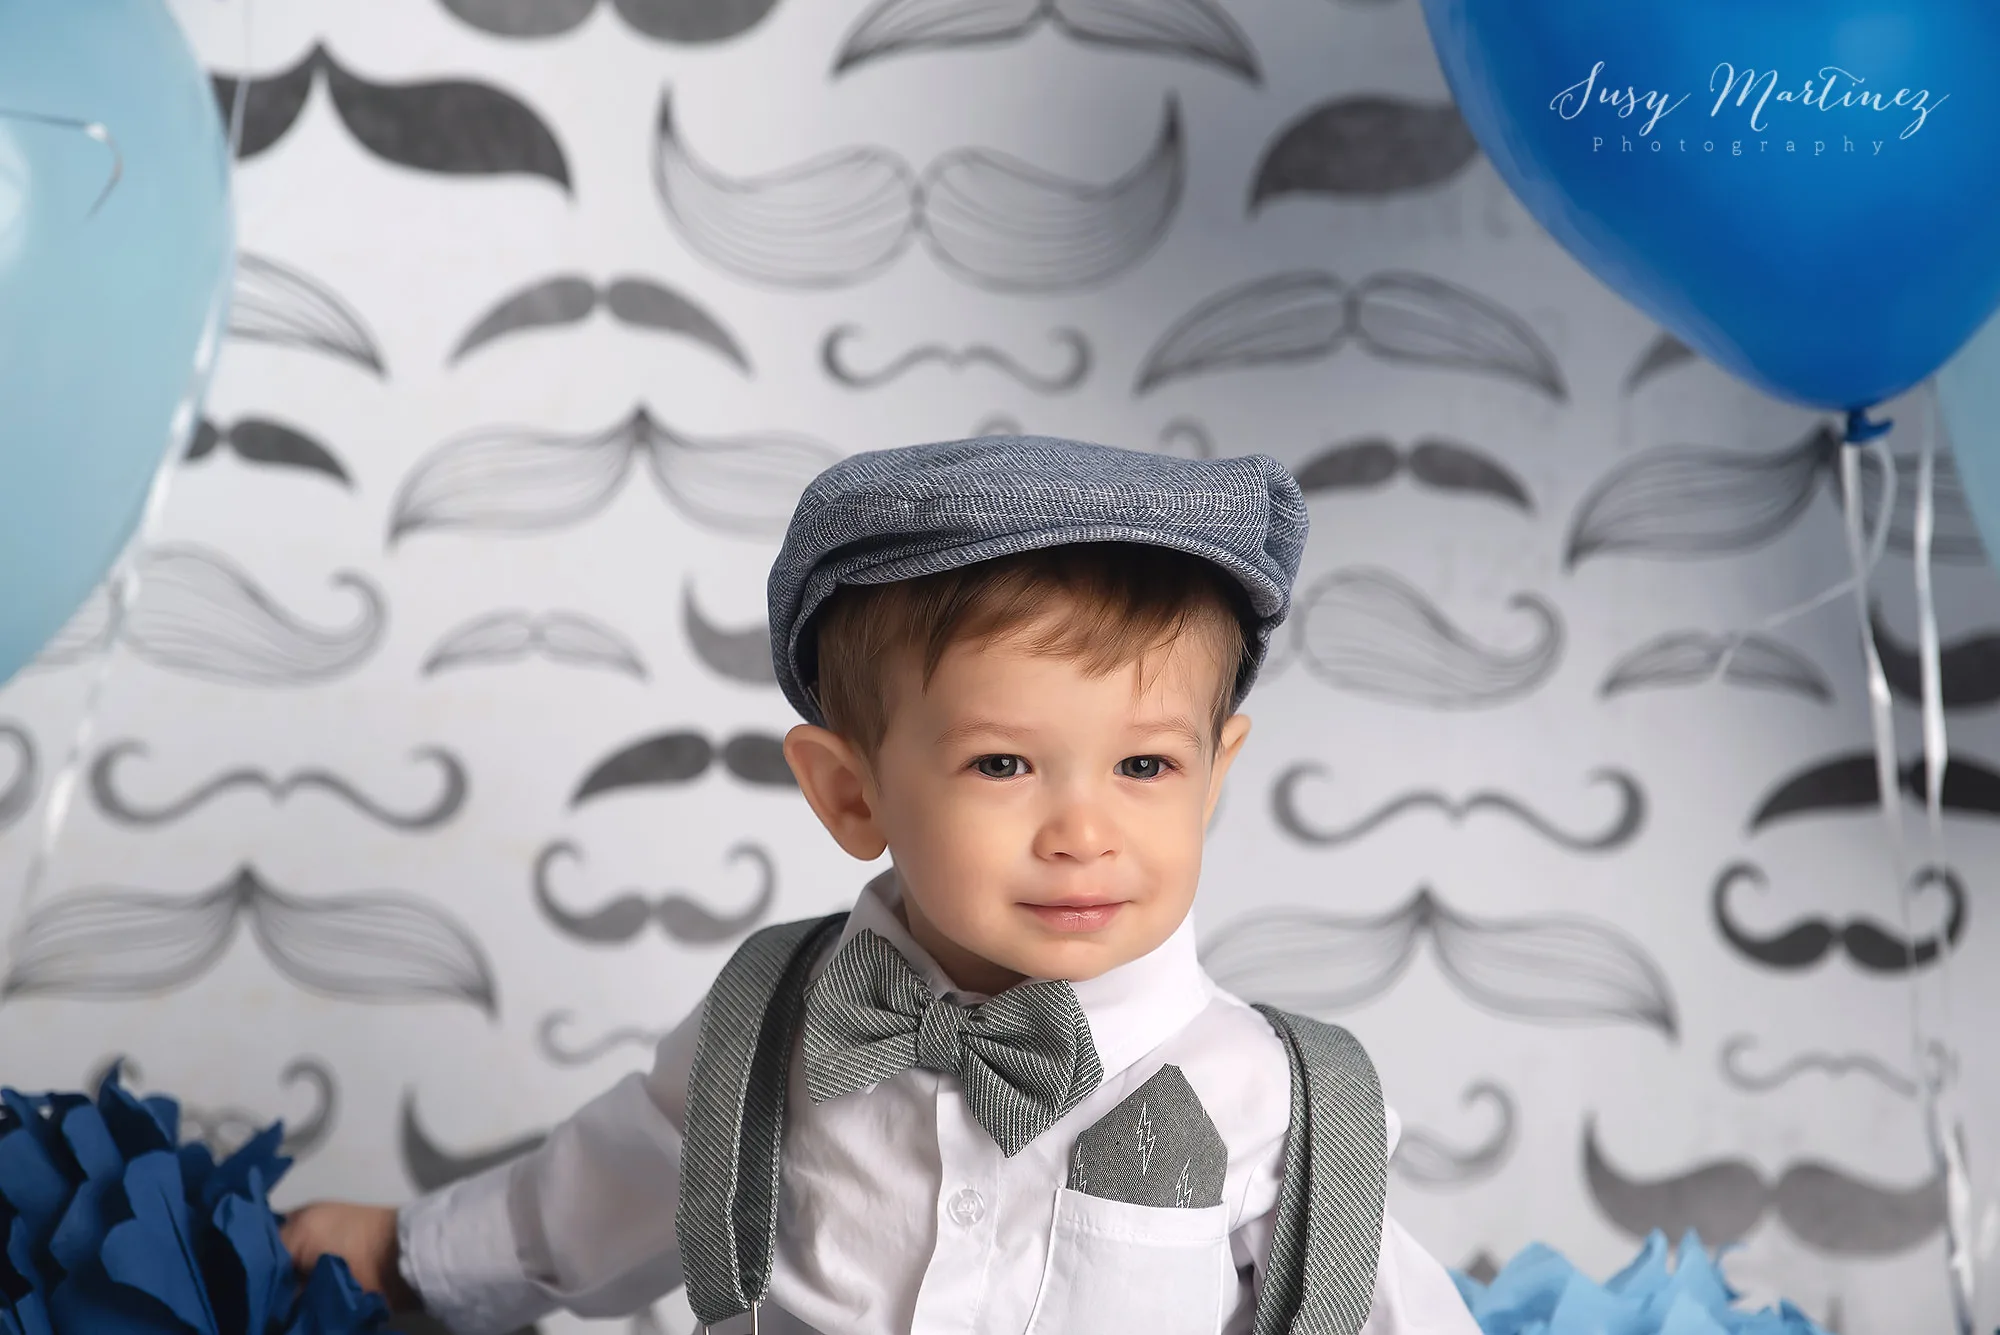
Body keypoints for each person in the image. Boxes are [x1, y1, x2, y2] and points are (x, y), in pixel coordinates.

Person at [281, 435, 1481, 1334]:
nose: (1082, 832)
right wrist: (410, 1255)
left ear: (1213, 774)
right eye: (1002, 764)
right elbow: (612, 1183)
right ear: (851, 795)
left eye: (1143, 766)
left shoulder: (1268, 1097)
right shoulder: (775, 1023)